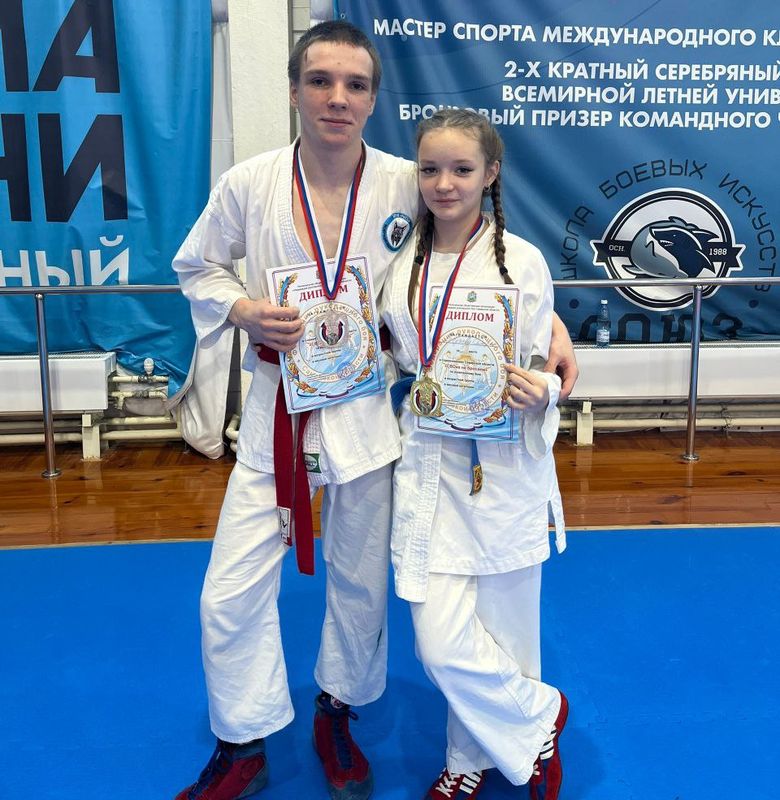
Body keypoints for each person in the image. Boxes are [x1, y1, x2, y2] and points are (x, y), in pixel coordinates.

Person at [172, 20, 578, 800]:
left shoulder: (404, 180)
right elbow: (198, 266)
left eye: (354, 85)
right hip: (279, 414)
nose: (337, 97)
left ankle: (338, 713)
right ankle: (242, 741)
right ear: (295, 90)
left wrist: (550, 327)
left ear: (372, 98)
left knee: (359, 586)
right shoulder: (249, 183)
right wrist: (243, 310)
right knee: (227, 591)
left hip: (365, 415)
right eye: (320, 81)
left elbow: (477, 261)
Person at [380, 108, 568, 800]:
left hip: (502, 467)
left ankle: (468, 761)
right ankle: (540, 714)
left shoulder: (523, 261)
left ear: (490, 173)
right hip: (428, 464)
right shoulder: (400, 262)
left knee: (508, 631)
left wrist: (543, 391)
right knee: (439, 642)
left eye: (462, 169)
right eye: (430, 168)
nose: (444, 183)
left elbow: (542, 365)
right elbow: (394, 352)